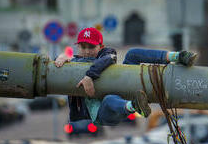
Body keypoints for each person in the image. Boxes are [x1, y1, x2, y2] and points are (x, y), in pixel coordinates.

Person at [55, 27, 197, 126]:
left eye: (91, 47)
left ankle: (178, 56)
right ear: (78, 47)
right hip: (102, 113)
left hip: (120, 90)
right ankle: (134, 106)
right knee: (110, 99)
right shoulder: (74, 62)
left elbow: (109, 57)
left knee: (132, 53)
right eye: (82, 46)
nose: (86, 51)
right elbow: (57, 66)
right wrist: (60, 57)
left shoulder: (106, 55)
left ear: (100, 47)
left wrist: (89, 76)